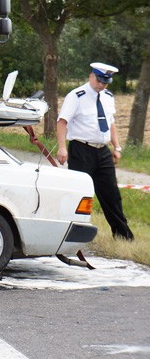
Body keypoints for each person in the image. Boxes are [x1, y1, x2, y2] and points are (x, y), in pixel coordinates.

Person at [57, 62, 133, 240]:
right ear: (91, 76)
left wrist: (117, 147)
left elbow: (110, 122)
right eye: (99, 81)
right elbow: (62, 122)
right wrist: (61, 148)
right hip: (81, 149)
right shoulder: (76, 96)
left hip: (103, 151)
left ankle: (123, 236)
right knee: (79, 194)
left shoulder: (108, 97)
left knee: (112, 195)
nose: (102, 85)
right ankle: (70, 234)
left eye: (106, 82)